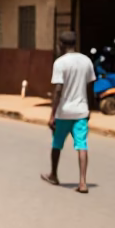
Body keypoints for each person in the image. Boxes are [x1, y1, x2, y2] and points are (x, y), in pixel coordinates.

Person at [42, 30, 95, 194]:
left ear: (62, 45)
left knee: (57, 144)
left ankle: (54, 175)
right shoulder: (86, 61)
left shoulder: (60, 63)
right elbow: (90, 86)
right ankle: (83, 182)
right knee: (82, 145)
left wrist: (52, 114)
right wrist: (89, 108)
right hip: (81, 112)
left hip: (64, 112)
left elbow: (58, 90)